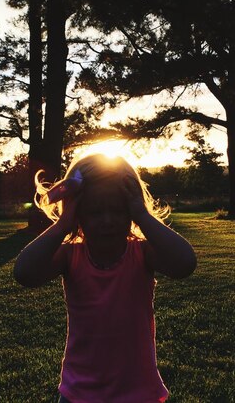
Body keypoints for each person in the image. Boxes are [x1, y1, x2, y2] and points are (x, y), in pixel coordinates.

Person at [13, 154, 196, 403]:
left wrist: (142, 216)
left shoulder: (142, 253)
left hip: (139, 392)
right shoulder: (70, 255)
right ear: (79, 214)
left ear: (131, 210)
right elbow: (24, 273)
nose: (108, 220)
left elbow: (185, 264)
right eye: (95, 212)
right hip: (79, 393)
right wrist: (64, 223)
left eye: (119, 210)